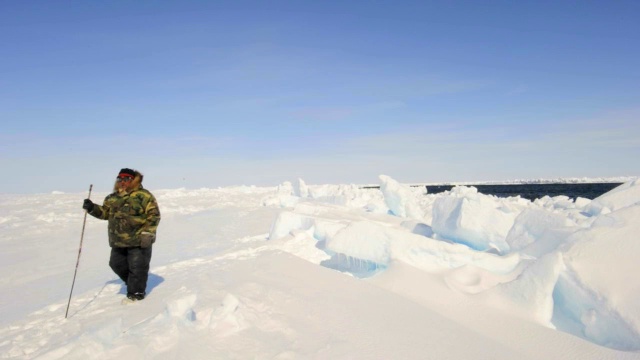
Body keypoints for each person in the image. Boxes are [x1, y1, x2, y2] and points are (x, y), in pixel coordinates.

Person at [82, 168, 161, 302]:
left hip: (139, 239)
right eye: (120, 179)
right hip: (118, 240)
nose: (122, 182)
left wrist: (148, 233)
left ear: (133, 180)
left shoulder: (143, 195)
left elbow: (154, 215)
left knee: (137, 268)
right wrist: (91, 208)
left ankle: (136, 295)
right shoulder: (112, 198)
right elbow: (105, 213)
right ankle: (133, 283)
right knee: (116, 264)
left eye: (126, 179)